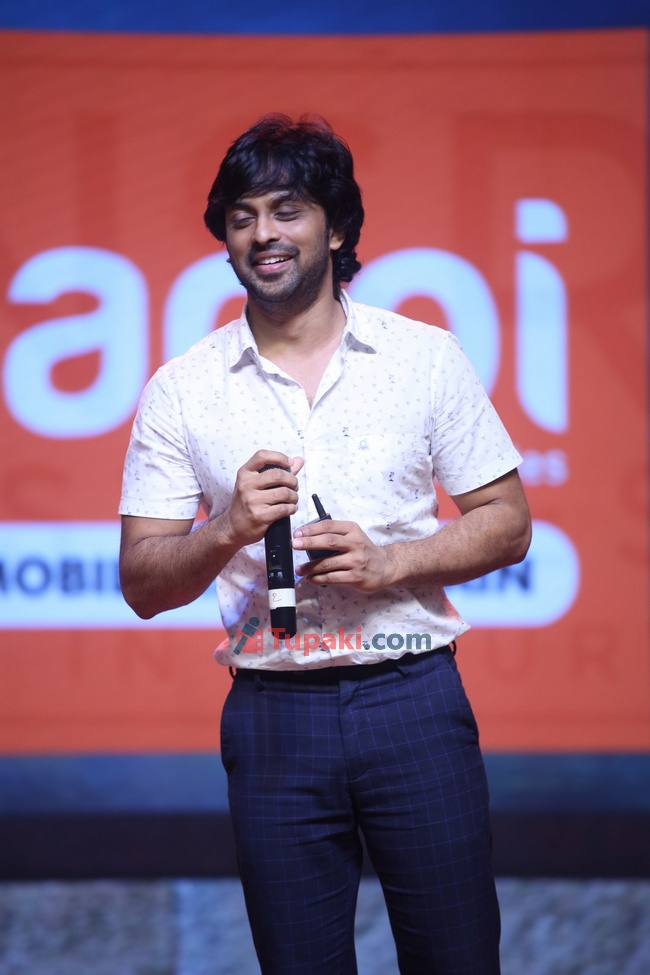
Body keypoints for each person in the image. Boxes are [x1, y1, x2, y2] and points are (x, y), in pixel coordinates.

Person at [119, 113, 531, 975]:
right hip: (275, 713)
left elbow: (509, 522)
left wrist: (394, 562)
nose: (262, 234)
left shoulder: (424, 357)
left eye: (287, 210)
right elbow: (143, 582)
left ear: (336, 227)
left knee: (458, 957)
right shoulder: (181, 389)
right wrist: (228, 526)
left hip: (412, 697)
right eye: (241, 217)